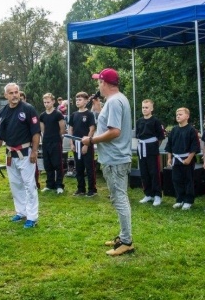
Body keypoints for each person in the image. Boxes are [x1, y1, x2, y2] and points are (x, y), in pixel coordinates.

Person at [81, 68, 134, 256]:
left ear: (104, 83)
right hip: (115, 157)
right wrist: (98, 109)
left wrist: (91, 140)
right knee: (118, 198)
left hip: (115, 159)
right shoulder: (117, 100)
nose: (97, 86)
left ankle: (126, 241)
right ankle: (123, 236)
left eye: (99, 82)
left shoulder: (114, 102)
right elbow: (110, 123)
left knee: (120, 199)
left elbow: (114, 132)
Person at [0, 83, 41, 229]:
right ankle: (21, 211)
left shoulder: (28, 109)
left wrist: (34, 151)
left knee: (29, 185)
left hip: (25, 153)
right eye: (11, 93)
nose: (15, 95)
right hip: (10, 153)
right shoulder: (2, 113)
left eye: (16, 92)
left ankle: (32, 217)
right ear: (5, 95)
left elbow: (36, 132)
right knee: (15, 185)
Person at [165, 107, 200, 210]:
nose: (178, 116)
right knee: (176, 179)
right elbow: (169, 145)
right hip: (176, 159)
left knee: (188, 180)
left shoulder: (191, 130)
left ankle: (188, 200)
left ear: (187, 116)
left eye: (180, 114)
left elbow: (194, 146)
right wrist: (169, 158)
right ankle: (179, 199)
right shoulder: (174, 130)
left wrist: (189, 158)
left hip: (187, 159)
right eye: (177, 114)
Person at [136, 99, 165, 206]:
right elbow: (138, 136)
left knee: (154, 172)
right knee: (144, 172)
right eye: (143, 107)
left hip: (152, 149)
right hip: (141, 148)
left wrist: (154, 146)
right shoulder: (139, 121)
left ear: (152, 108)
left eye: (147, 107)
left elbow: (160, 137)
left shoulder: (156, 121)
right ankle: (148, 194)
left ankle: (157, 195)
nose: (144, 109)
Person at [68, 91, 96, 197]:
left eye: (80, 100)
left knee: (89, 167)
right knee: (78, 167)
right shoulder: (74, 115)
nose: (77, 101)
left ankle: (92, 189)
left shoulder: (89, 114)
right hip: (76, 144)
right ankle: (81, 188)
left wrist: (86, 145)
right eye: (76, 100)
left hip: (86, 144)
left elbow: (92, 129)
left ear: (86, 101)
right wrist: (71, 143)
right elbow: (70, 129)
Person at [40, 93, 66, 194]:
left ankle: (59, 185)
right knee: (47, 164)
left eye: (48, 102)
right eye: (45, 102)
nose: (46, 104)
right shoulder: (42, 116)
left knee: (57, 164)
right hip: (46, 142)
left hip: (56, 142)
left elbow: (62, 129)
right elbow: (43, 130)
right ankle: (49, 184)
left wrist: (58, 139)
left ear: (53, 102)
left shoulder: (58, 114)